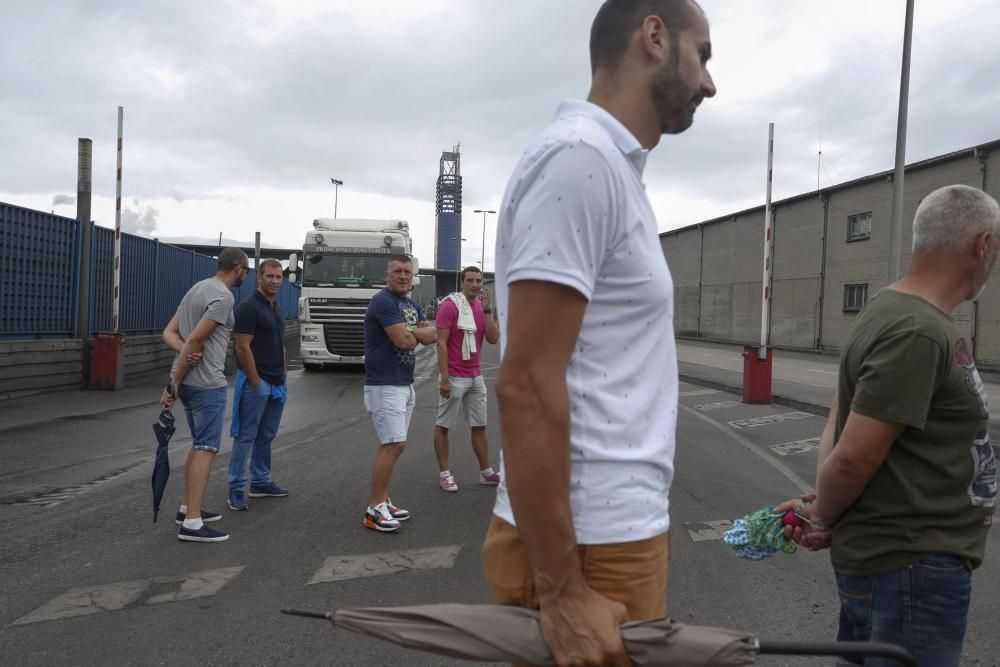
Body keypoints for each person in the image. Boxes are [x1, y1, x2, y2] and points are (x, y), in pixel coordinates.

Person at [483, 1, 716, 665]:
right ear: (653, 37)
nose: (708, 81)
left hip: (613, 534)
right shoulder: (579, 162)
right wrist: (560, 591)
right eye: (702, 54)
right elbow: (525, 382)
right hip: (589, 546)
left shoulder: (612, 170)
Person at [780, 184, 999, 666]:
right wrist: (825, 515)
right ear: (983, 245)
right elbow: (855, 455)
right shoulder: (917, 328)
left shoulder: (885, 308)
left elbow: (840, 421)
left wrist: (825, 506)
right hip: (912, 570)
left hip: (898, 569)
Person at [161, 247, 249, 543]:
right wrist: (175, 379)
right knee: (207, 449)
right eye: (246, 270)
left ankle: (188, 508)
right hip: (207, 384)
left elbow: (170, 333)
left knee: (198, 445)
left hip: (188, 382)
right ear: (238, 268)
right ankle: (193, 524)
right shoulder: (224, 296)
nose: (245, 275)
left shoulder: (196, 289)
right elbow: (197, 338)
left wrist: (179, 372)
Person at [362, 255, 437, 532]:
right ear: (387, 275)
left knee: (397, 444)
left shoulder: (409, 304)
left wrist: (412, 331)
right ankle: (374, 509)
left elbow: (433, 335)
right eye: (398, 271)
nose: (403, 276)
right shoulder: (383, 301)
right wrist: (415, 332)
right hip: (385, 384)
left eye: (407, 271)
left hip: (404, 383)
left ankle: (384, 500)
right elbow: (405, 342)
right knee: (391, 444)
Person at [226, 258, 289, 512]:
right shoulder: (248, 308)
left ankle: (261, 482)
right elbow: (242, 346)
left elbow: (279, 343)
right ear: (259, 278)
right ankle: (236, 489)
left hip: (276, 383)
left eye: (278, 277)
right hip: (256, 382)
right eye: (270, 276)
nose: (274, 281)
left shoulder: (276, 308)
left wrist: (283, 377)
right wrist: (255, 382)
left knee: (266, 435)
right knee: (245, 437)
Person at [434, 266, 500, 492]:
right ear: (462, 282)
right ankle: (445, 474)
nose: (474, 284)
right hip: (453, 376)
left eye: (478, 280)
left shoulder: (482, 308)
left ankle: (486, 472)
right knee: (444, 426)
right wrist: (444, 379)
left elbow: (492, 338)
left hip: (475, 376)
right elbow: (440, 343)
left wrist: (489, 310)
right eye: (470, 280)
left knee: (480, 426)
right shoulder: (450, 306)